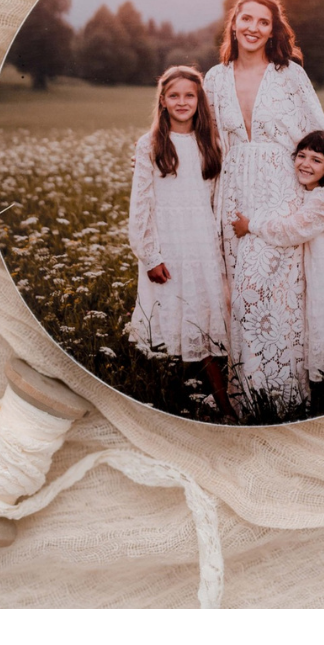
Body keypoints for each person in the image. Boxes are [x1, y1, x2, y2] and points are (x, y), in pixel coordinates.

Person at [203, 0, 324, 421]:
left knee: (281, 296)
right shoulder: (215, 78)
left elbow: (320, 127)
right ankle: (250, 400)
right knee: (241, 295)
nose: (253, 27)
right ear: (234, 23)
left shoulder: (289, 74)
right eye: (246, 18)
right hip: (233, 194)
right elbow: (208, 142)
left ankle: (289, 399)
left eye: (263, 22)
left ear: (274, 30)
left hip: (281, 191)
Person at [231, 131, 324, 413]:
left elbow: (293, 229)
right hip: (320, 269)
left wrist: (251, 225)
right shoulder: (313, 192)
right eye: (301, 156)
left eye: (316, 160)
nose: (305, 164)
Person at [126, 66, 232, 415]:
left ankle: (222, 400)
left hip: (202, 245)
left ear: (200, 100)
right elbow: (141, 205)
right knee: (170, 320)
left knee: (203, 318)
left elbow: (217, 202)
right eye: (174, 95)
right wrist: (149, 255)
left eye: (190, 95)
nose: (182, 101)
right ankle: (163, 399)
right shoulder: (151, 145)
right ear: (163, 100)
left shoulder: (211, 144)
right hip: (168, 246)